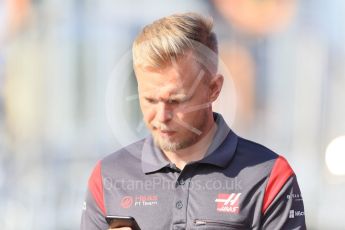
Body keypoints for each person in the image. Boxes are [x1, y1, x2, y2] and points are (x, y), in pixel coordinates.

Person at [81, 12, 306, 230]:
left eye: (176, 101)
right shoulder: (108, 177)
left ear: (214, 89)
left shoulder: (269, 177)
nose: (161, 117)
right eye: (149, 100)